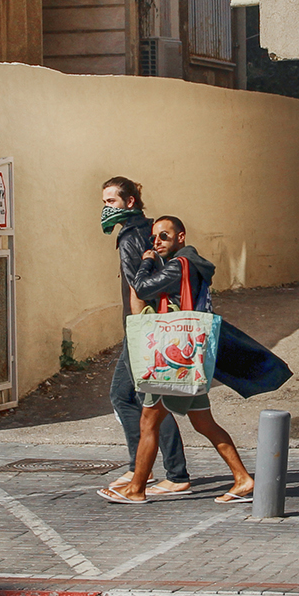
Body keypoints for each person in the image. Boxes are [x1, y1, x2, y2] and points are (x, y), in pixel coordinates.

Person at [102, 215, 255, 505]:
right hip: (186, 361)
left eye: (164, 237)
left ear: (181, 237)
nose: (156, 242)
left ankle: (137, 488)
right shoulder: (188, 264)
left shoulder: (179, 265)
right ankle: (243, 479)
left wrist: (145, 261)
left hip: (171, 358)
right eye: (154, 237)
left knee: (149, 421)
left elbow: (144, 288)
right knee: (204, 423)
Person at [99, 177, 191, 498]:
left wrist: (141, 328)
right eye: (104, 201)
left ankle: (172, 473)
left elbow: (142, 286)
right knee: (133, 396)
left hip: (144, 326)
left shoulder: (130, 238)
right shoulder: (149, 229)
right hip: (152, 323)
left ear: (130, 202)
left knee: (141, 399)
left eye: (111, 202)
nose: (105, 208)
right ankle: (145, 466)